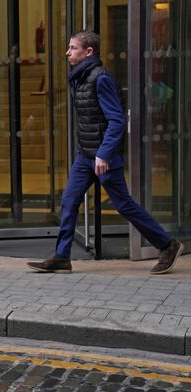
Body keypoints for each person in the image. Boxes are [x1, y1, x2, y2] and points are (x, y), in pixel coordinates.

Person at [27, 31, 183, 275]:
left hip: (102, 157)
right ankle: (62, 256)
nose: (67, 52)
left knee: (123, 204)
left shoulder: (100, 79)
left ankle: (167, 245)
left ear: (88, 52)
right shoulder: (80, 77)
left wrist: (104, 154)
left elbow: (116, 120)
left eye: (72, 48)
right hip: (85, 155)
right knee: (69, 200)